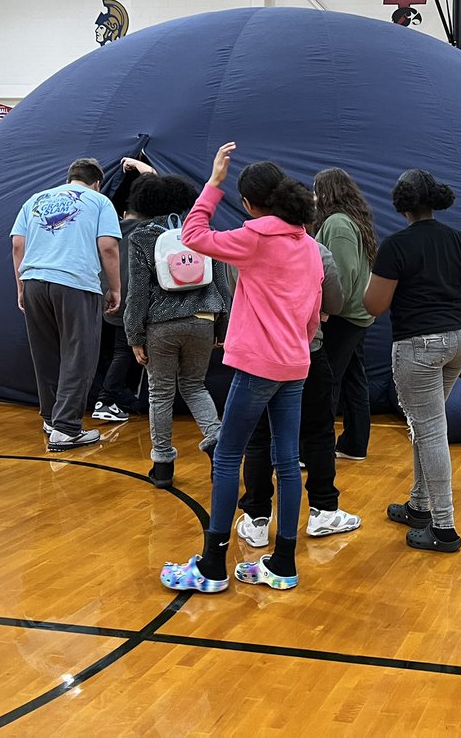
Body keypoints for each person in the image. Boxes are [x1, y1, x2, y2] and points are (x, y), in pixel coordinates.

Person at [160, 144, 324, 593]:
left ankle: (212, 565)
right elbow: (313, 315)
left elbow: (193, 236)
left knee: (229, 454)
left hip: (257, 367)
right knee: (287, 462)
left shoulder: (255, 238)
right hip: (295, 365)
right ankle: (283, 564)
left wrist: (213, 183)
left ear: (249, 203)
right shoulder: (309, 246)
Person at [364, 169, 461, 553]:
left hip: (418, 347)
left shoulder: (396, 246)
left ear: (401, 206)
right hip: (457, 341)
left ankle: (444, 528)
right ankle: (419, 506)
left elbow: (374, 305)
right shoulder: (460, 240)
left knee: (430, 429)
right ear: (434, 200)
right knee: (425, 422)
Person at [236, 238, 362, 545]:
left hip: (260, 356)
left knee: (259, 437)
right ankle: (324, 510)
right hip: (306, 351)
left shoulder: (246, 245)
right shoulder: (316, 250)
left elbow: (234, 293)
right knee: (317, 434)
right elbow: (335, 302)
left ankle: (256, 519)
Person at [123, 174, 231, 489]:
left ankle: (163, 465)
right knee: (195, 386)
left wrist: (134, 335)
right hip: (202, 319)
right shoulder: (202, 231)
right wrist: (221, 324)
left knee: (160, 392)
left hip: (161, 325)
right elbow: (221, 282)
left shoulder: (142, 237)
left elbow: (137, 293)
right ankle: (216, 441)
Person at [11, 157, 121, 452]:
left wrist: (21, 286)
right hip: (74, 281)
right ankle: (66, 429)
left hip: (34, 280)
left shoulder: (34, 200)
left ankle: (50, 419)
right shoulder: (98, 201)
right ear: (97, 182)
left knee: (45, 354)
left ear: (69, 177)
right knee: (79, 354)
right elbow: (108, 246)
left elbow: (17, 246)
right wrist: (115, 287)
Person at [311, 168, 378, 462]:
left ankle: (316, 448)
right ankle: (354, 443)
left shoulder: (337, 223)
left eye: (316, 190)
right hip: (355, 314)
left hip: (343, 315)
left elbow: (342, 273)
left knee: (326, 381)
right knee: (353, 378)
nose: (313, 197)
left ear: (327, 192)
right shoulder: (352, 221)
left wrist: (327, 310)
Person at [94, 157, 157, 423]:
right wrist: (143, 167)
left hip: (104, 295)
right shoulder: (148, 230)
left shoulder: (110, 229)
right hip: (129, 298)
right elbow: (155, 182)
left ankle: (121, 396)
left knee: (113, 351)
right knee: (124, 351)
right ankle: (105, 399)